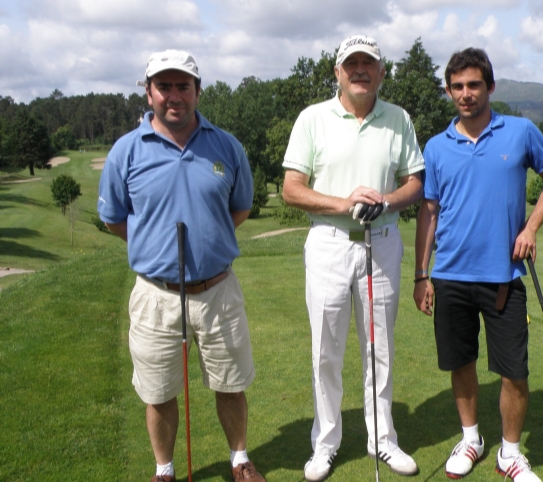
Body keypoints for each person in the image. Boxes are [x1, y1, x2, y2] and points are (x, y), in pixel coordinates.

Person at [97, 49, 266, 482]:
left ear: (197, 91)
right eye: (165, 86)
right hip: (157, 294)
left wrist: (209, 240)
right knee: (158, 391)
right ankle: (164, 469)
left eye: (183, 86)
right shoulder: (126, 151)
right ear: (149, 91)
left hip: (217, 289)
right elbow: (114, 217)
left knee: (230, 383)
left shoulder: (225, 146)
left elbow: (240, 209)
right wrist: (152, 247)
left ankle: (239, 459)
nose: (175, 95)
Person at [414, 48, 543, 481]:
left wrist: (531, 227)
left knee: (514, 371)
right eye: (457, 86)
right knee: (460, 363)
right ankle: (472, 438)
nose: (465, 94)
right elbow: (430, 211)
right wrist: (421, 275)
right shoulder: (437, 146)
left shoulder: (520, 132)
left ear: (490, 87)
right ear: (449, 91)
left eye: (474, 85)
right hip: (450, 276)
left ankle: (510, 454)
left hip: (504, 276)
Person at [282, 35, 424, 482]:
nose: (360, 70)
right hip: (328, 243)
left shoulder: (398, 119)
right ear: (338, 72)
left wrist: (385, 200)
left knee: (379, 348)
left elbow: (415, 183)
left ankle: (382, 439)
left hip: (381, 241)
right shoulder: (312, 118)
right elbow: (292, 189)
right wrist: (345, 203)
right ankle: (325, 445)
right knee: (325, 350)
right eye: (352, 64)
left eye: (369, 64)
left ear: (382, 72)